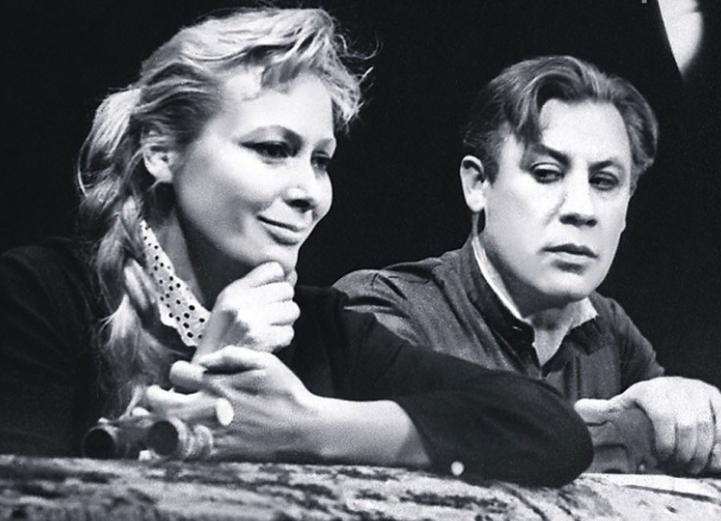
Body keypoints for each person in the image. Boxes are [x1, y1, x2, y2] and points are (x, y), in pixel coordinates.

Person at [0, 8, 593, 486]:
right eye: (273, 150)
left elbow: (549, 429)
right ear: (161, 152)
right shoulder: (37, 295)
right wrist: (208, 380)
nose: (310, 192)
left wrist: (306, 426)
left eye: (321, 160)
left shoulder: (322, 328)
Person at [336, 55, 721, 478]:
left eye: (604, 182)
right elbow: (425, 448)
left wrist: (696, 411)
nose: (582, 209)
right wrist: (635, 432)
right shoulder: (384, 307)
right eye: (547, 173)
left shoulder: (609, 330)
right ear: (478, 185)